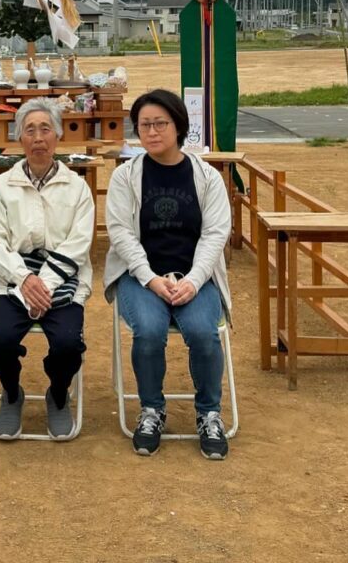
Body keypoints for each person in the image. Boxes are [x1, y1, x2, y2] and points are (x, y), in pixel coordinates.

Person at [104, 88, 232, 460]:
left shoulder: (207, 177)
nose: (153, 131)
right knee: (149, 329)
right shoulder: (126, 177)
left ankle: (209, 413)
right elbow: (121, 234)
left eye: (161, 123)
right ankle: (151, 409)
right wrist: (151, 279)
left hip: (196, 277)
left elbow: (215, 234)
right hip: (141, 277)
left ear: (179, 126)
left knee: (202, 332)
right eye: (144, 125)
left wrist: (192, 280)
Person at [0, 97, 95, 440]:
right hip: (13, 280)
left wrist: (42, 284)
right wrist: (24, 278)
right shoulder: (2, 186)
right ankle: (11, 392)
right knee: (0, 341)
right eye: (30, 130)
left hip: (64, 280)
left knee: (68, 344)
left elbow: (79, 243)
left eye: (46, 129)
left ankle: (58, 394)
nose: (39, 137)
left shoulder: (77, 188)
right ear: (20, 139)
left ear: (58, 137)